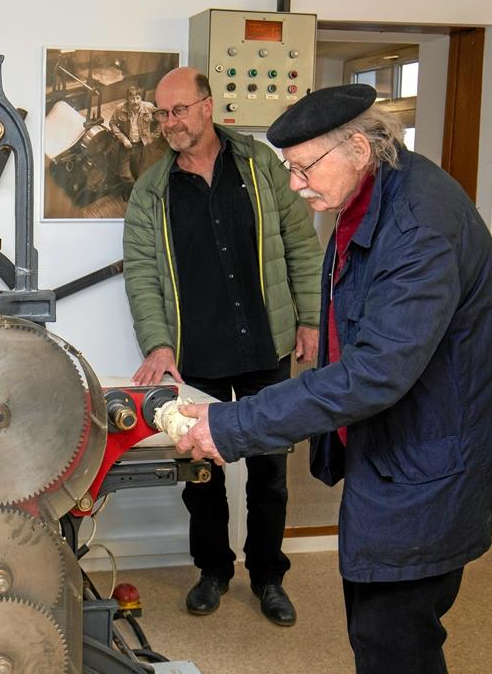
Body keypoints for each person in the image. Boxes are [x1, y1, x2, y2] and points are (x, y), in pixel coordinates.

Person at [177, 83, 492, 673]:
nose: (296, 186)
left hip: (426, 469)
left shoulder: (419, 224)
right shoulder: (369, 195)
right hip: (393, 458)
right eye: (289, 170)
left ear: (356, 146)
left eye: (303, 169)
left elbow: (374, 371)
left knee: (393, 642)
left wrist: (234, 423)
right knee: (377, 631)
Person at [122, 67, 322, 626]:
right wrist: (158, 344)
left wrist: (310, 318)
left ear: (208, 107)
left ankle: (268, 577)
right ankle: (212, 571)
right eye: (162, 113)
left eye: (179, 110)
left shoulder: (261, 167)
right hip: (197, 354)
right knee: (200, 473)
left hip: (266, 345)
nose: (169, 123)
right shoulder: (153, 190)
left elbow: (301, 246)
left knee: (271, 474)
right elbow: (140, 274)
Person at [109, 85, 160, 179]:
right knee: (124, 175)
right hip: (126, 145)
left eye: (138, 98)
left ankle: (134, 191)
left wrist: (153, 136)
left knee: (138, 171)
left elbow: (161, 120)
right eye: (132, 98)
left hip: (142, 145)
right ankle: (131, 190)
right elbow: (113, 123)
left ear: (141, 98)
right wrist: (123, 139)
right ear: (127, 99)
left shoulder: (149, 107)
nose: (135, 102)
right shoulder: (119, 109)